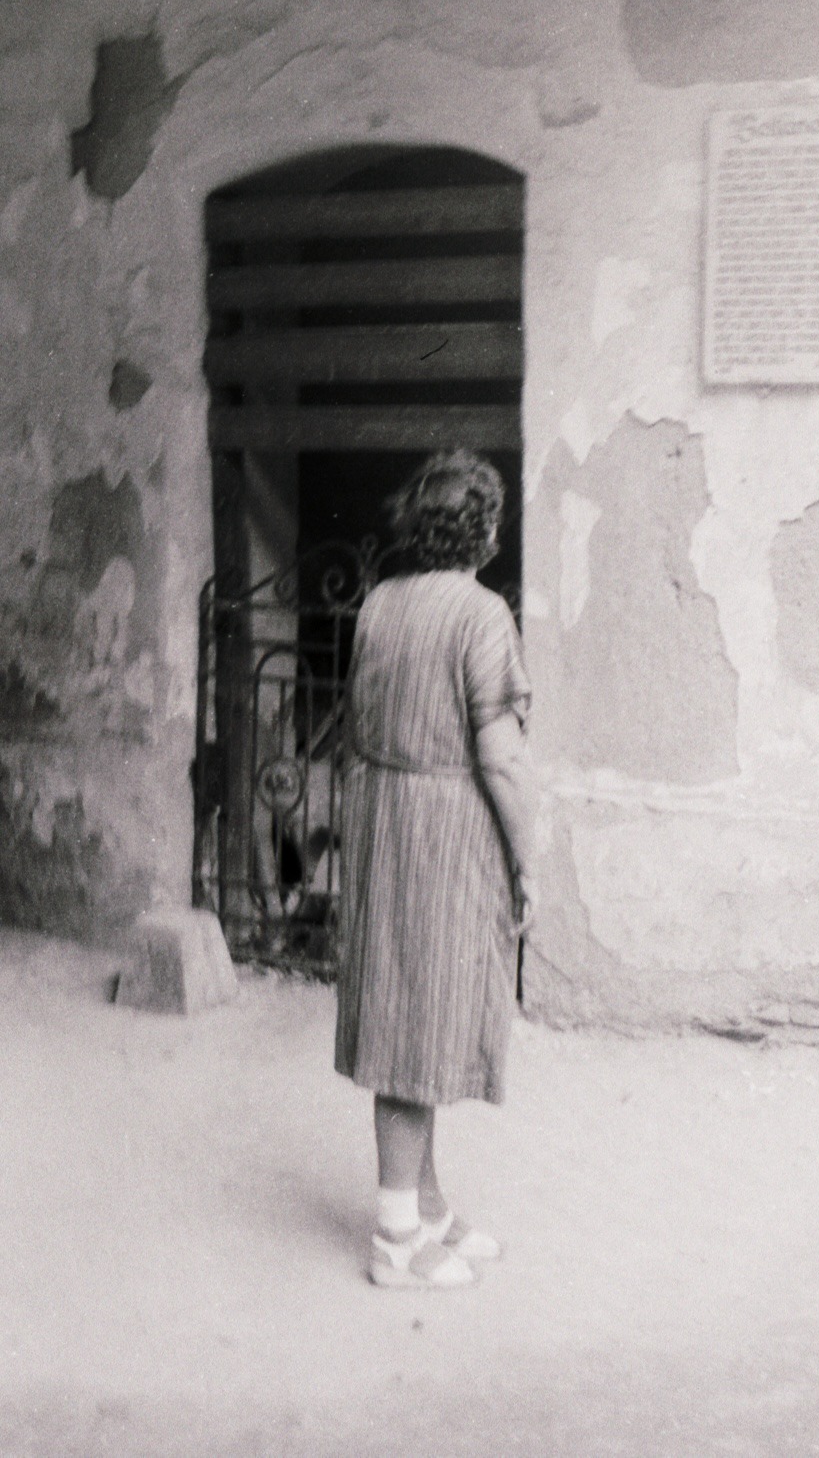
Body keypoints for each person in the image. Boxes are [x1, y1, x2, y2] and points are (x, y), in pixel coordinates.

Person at [335, 450, 537, 1289]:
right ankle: (395, 1241)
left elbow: (355, 719)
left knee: (406, 1013)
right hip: (444, 830)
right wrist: (526, 860)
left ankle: (428, 1208)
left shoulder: (380, 602)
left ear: (415, 527)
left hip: (383, 817)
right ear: (485, 531)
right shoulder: (484, 615)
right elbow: (502, 758)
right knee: (416, 1028)